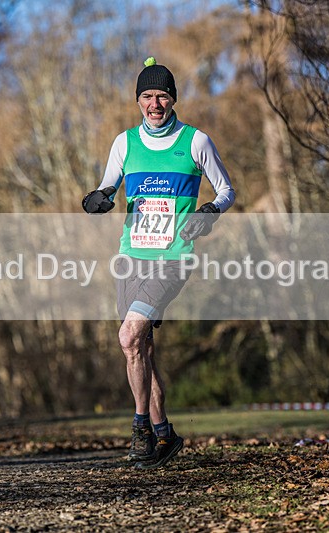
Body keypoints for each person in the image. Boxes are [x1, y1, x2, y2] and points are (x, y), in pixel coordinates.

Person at [82, 57, 235, 469]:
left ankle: (139, 429)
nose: (155, 103)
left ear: (173, 100)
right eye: (148, 96)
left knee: (129, 336)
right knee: (141, 349)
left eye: (162, 95)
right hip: (131, 256)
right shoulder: (124, 142)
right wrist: (96, 200)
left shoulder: (195, 141)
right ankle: (164, 433)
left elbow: (226, 190)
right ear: (138, 100)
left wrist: (208, 213)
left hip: (173, 258)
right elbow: (105, 187)